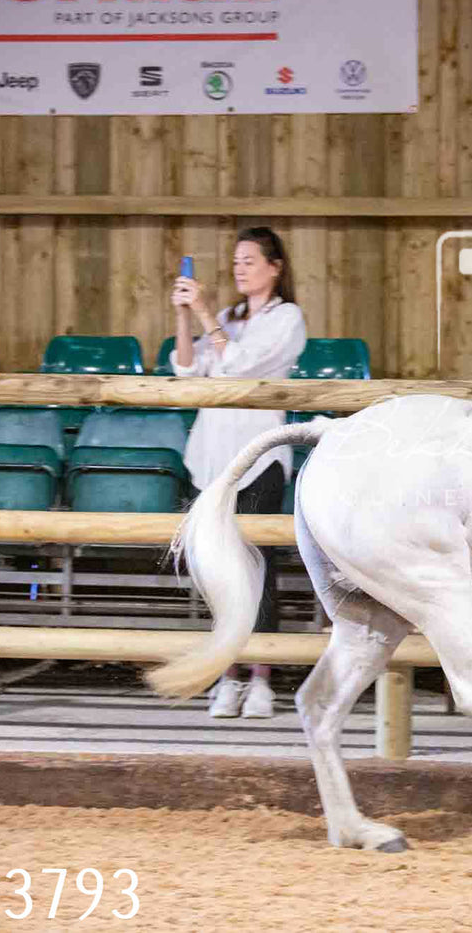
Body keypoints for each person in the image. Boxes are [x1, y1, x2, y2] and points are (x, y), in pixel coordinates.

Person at [171, 226, 307, 719]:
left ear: (275, 267)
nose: (240, 268)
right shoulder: (224, 318)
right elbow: (188, 370)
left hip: (258, 457)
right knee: (216, 566)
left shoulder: (287, 319)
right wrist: (186, 316)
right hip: (210, 456)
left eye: (250, 260)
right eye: (236, 261)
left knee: (257, 566)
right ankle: (226, 673)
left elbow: (244, 366)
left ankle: (262, 678)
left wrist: (207, 314)